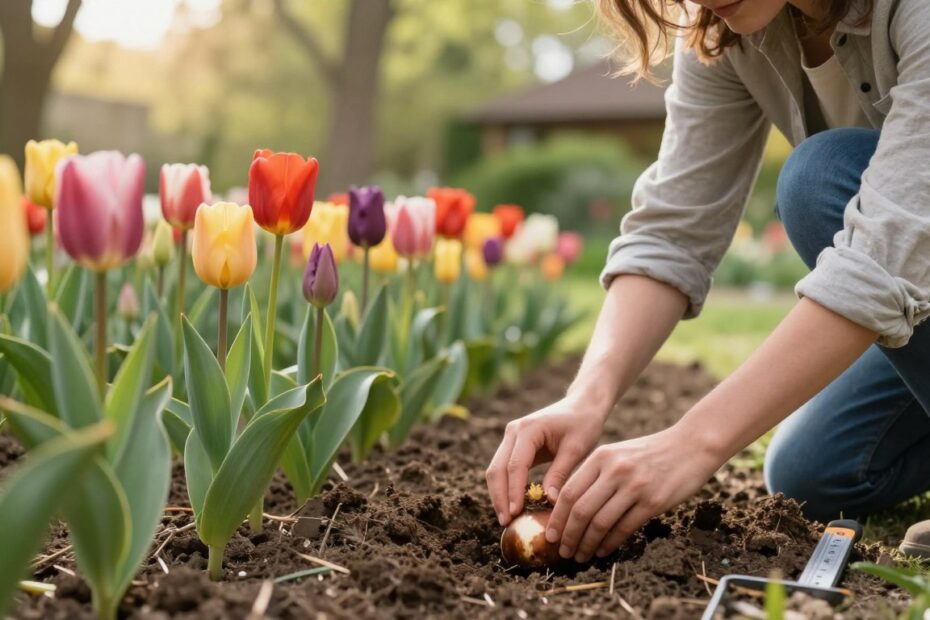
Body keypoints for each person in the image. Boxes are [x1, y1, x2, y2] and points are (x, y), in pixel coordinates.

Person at [485, 0, 930, 565]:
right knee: (815, 470)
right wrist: (587, 397)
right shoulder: (730, 29)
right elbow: (674, 229)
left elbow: (888, 250)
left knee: (821, 180)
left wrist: (691, 444)